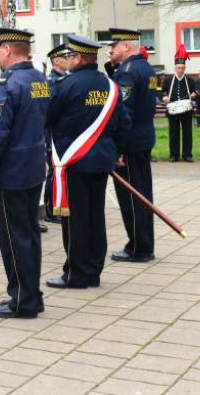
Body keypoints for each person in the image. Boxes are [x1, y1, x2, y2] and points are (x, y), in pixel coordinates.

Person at [46, 35, 130, 289]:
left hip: (74, 161)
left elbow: (48, 117)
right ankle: (93, 270)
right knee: (95, 216)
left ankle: (76, 273)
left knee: (76, 219)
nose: (69, 60)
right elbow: (123, 123)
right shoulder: (110, 85)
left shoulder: (67, 85)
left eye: (71, 56)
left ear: (79, 58)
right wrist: (117, 151)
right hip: (101, 161)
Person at [0, 27, 49, 319]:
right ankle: (32, 294)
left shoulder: (5, 86)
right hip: (33, 168)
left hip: (10, 174)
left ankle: (23, 299)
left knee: (14, 238)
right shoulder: (39, 80)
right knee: (30, 234)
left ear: (7, 50)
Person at [105, 28, 157, 264]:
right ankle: (145, 243)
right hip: (144, 137)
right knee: (144, 193)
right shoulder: (147, 68)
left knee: (132, 198)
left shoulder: (126, 73)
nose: (110, 50)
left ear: (126, 47)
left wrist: (118, 149)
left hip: (130, 145)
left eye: (114, 46)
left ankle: (138, 247)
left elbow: (123, 112)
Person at [43, 43, 72, 225]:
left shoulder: (67, 80)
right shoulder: (51, 82)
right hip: (52, 134)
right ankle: (50, 209)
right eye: (66, 57)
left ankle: (60, 202)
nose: (69, 60)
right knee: (54, 172)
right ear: (56, 61)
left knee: (62, 172)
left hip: (65, 134)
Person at [162, 46, 197, 162]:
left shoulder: (190, 81)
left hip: (186, 110)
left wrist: (194, 95)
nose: (180, 70)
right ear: (175, 68)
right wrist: (164, 97)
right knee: (173, 133)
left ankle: (187, 155)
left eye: (182, 68)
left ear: (185, 68)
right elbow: (161, 92)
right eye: (178, 68)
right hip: (172, 111)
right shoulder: (168, 81)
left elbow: (197, 92)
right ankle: (174, 155)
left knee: (187, 133)